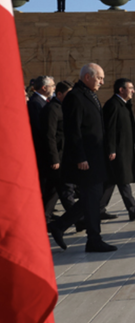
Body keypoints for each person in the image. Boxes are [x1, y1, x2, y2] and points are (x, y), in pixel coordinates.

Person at [47, 63, 117, 252]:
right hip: (85, 160)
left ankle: (59, 225)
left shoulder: (89, 95)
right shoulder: (75, 97)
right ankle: (93, 239)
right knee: (92, 198)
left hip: (96, 157)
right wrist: (80, 157)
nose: (102, 82)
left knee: (91, 197)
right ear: (87, 77)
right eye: (99, 78)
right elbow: (73, 130)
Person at [101, 78, 135, 221]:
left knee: (112, 180)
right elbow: (109, 129)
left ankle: (98, 209)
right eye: (130, 88)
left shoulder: (123, 104)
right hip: (117, 150)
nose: (133, 91)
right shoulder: (113, 105)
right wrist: (111, 149)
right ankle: (133, 209)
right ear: (121, 90)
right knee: (122, 179)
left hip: (123, 149)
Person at [39, 81, 76, 223]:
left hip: (64, 155)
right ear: (59, 94)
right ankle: (78, 219)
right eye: (68, 94)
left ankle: (45, 217)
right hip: (57, 157)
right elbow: (49, 136)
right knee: (66, 190)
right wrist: (54, 159)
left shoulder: (63, 108)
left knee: (53, 190)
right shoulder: (52, 109)